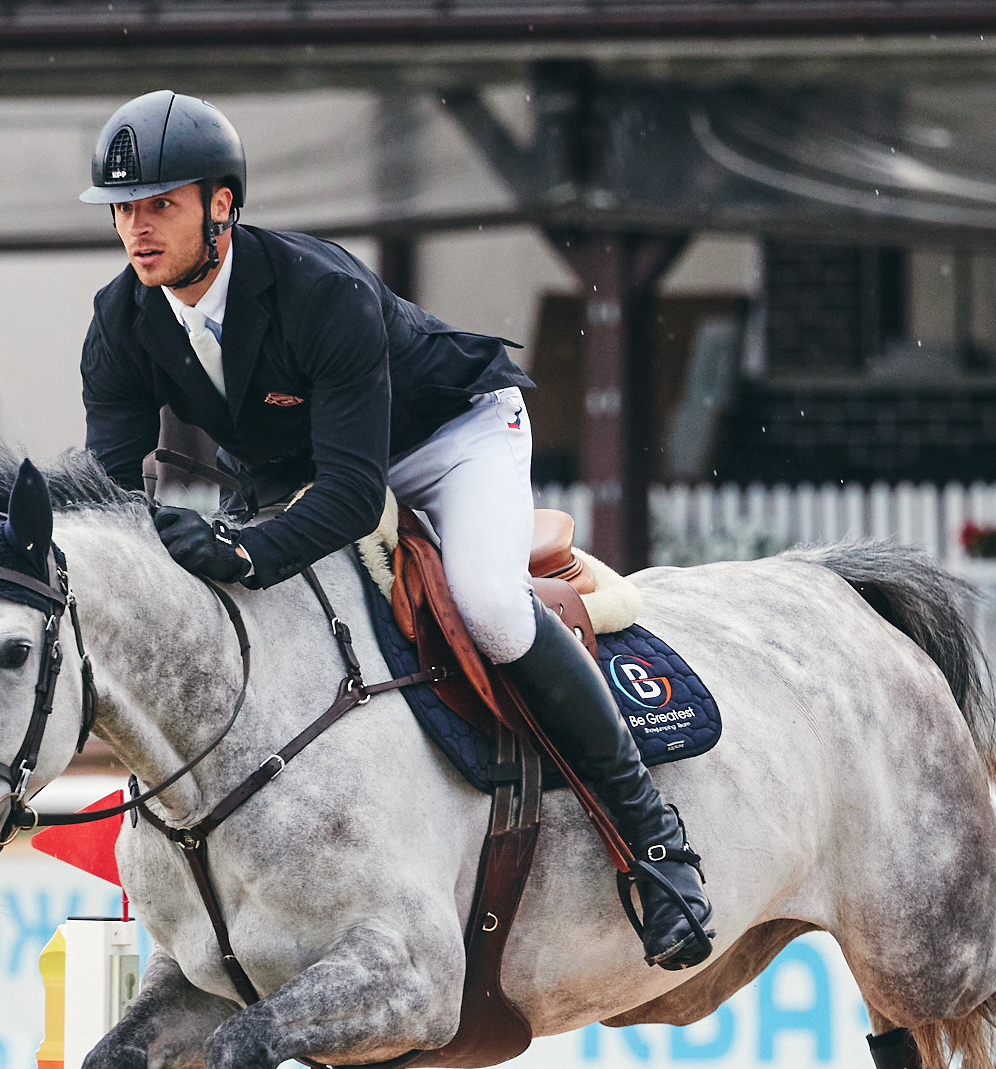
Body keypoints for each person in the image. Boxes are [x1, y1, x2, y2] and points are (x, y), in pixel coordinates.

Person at [77, 90, 713, 971]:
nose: (136, 228)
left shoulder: (319, 290)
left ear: (222, 205)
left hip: (450, 440)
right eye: (122, 209)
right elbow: (111, 502)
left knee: (491, 607)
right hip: (305, 464)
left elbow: (349, 495)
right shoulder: (119, 321)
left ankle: (654, 841)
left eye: (160, 205)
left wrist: (243, 549)